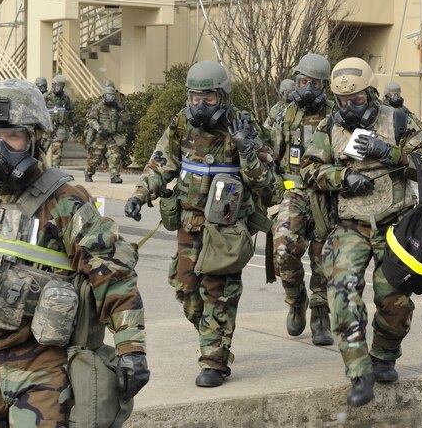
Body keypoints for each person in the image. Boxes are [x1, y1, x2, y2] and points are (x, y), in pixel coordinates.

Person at [0, 79, 148, 424]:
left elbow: (112, 274)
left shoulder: (66, 199)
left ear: (36, 139)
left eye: (14, 137)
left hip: (41, 363)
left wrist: (132, 349)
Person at [124, 61, 277, 388]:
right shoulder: (182, 124)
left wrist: (247, 149)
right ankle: (215, 340)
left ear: (222, 96)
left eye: (208, 99)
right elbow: (160, 163)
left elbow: (266, 182)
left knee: (218, 293)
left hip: (227, 225)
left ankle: (214, 361)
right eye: (195, 98)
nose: (200, 106)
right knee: (187, 290)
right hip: (189, 221)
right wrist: (140, 195)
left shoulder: (243, 126)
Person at [301, 57, 422, 407]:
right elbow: (310, 169)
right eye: (343, 102)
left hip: (395, 223)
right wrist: (341, 177)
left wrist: (390, 153)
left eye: (357, 100)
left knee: (395, 298)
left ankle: (384, 354)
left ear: (371, 92)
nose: (349, 108)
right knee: (342, 293)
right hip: (350, 225)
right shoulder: (329, 127)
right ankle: (359, 372)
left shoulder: (398, 119)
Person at [270, 53, 334, 346]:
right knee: (284, 251)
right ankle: (296, 300)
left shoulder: (336, 115)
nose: (307, 88)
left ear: (325, 86)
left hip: (328, 195)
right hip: (294, 192)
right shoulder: (284, 114)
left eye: (314, 83)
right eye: (302, 81)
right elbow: (270, 155)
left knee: (324, 258)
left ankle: (321, 311)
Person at [85, 81, 132, 183]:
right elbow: (91, 119)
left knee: (115, 155)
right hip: (99, 136)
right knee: (95, 157)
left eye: (112, 96)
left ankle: (115, 176)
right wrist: (99, 128)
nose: (110, 98)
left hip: (112, 136)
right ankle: (88, 173)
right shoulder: (98, 106)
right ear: (104, 96)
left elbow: (127, 119)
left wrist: (122, 110)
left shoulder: (118, 107)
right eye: (108, 96)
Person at [44, 74, 74, 168]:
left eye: (60, 86)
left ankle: (54, 171)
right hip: (47, 128)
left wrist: (73, 125)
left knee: (57, 151)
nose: (58, 88)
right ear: (53, 85)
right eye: (56, 86)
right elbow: (38, 111)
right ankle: (38, 170)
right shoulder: (46, 97)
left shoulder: (65, 98)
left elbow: (71, 112)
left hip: (59, 128)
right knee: (42, 149)